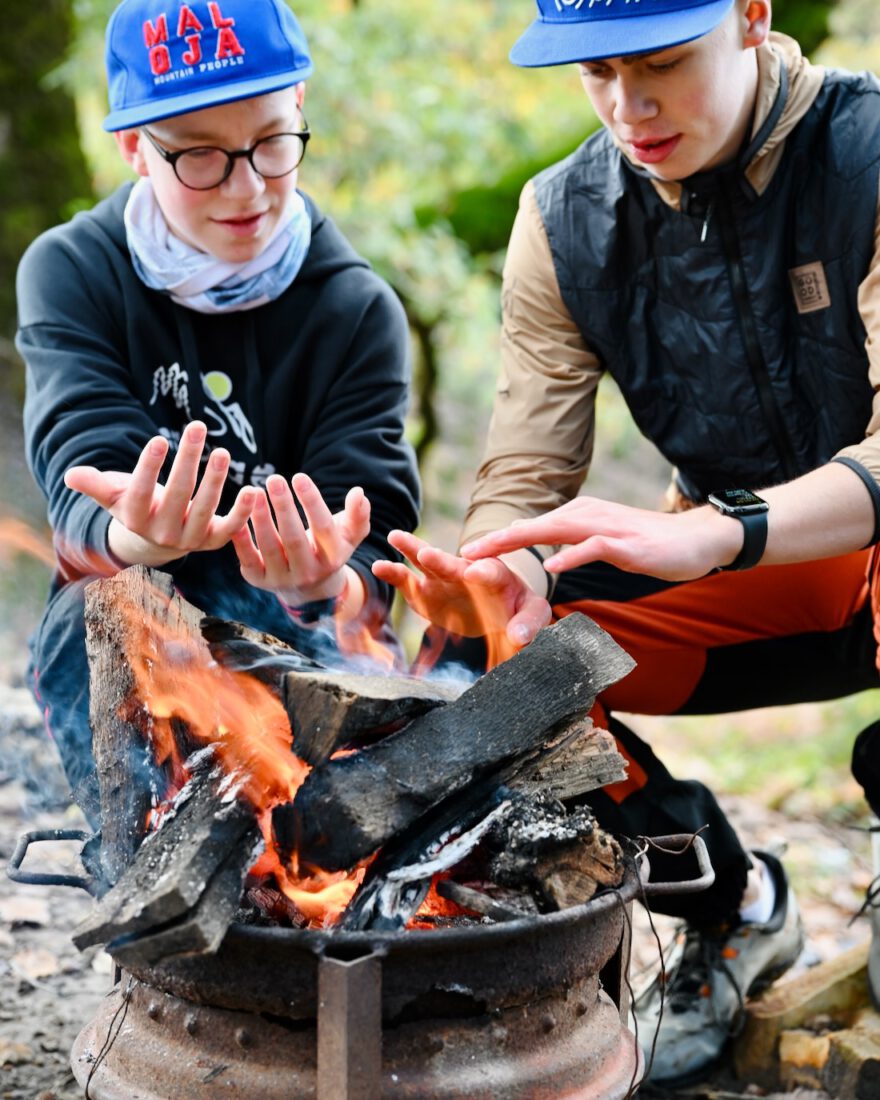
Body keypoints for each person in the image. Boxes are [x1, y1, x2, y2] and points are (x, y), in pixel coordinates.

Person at [373, 0, 880, 1085]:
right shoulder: (564, 217)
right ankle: (734, 905)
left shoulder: (867, 153)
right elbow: (521, 475)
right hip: (755, 591)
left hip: (820, 544)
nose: (628, 106)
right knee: (497, 661)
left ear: (751, 15)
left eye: (660, 62)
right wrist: (491, 578)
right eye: (596, 72)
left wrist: (719, 531)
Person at [17, 0, 419, 832]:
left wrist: (326, 581)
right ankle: (149, 865)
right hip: (138, 632)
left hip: (303, 644)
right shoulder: (73, 272)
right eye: (200, 155)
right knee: (96, 608)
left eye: (271, 143)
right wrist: (135, 534)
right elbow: (78, 472)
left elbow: (378, 542)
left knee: (359, 738)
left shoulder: (356, 309)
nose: (247, 188)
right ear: (135, 148)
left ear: (299, 107)